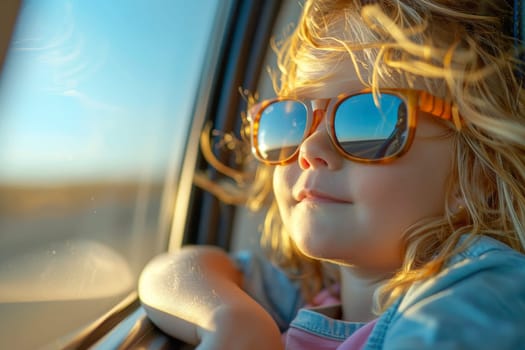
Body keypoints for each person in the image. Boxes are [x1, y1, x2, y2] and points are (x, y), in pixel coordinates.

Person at [138, 0, 525, 349]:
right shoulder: (311, 288)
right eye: (292, 120)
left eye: (369, 118)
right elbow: (171, 272)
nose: (309, 149)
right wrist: (233, 319)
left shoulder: (482, 289)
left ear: (475, 175)